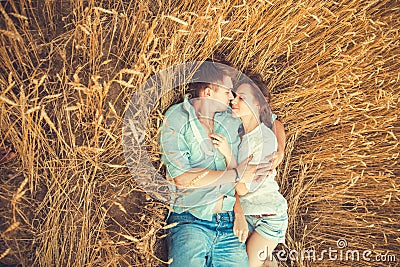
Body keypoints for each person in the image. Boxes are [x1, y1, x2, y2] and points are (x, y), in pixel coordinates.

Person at [159, 61, 272, 266]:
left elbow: (268, 116)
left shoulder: (230, 121)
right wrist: (237, 174)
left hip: (229, 225)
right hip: (190, 221)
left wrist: (238, 212)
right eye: (228, 92)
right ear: (209, 92)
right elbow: (182, 178)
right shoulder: (177, 118)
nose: (231, 97)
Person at [211, 74, 288, 267]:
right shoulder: (239, 131)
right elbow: (237, 183)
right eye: (235, 96)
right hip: (246, 212)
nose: (234, 101)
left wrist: (229, 157)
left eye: (242, 98)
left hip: (267, 216)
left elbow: (243, 189)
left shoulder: (265, 139)